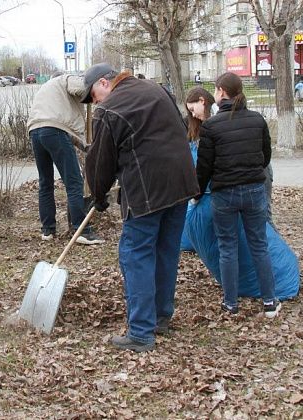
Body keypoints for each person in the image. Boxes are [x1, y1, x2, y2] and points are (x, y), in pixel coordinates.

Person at [82, 63, 199, 352]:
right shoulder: (157, 89)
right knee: (165, 251)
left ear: (104, 83)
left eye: (93, 94)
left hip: (148, 192)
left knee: (135, 254)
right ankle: (160, 317)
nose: (94, 101)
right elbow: (181, 128)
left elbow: (100, 162)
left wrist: (97, 195)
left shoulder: (108, 110)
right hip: (181, 182)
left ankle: (141, 332)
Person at [194, 72, 281, 318]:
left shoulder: (211, 126)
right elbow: (265, 156)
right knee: (259, 245)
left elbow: (204, 167)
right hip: (254, 190)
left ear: (221, 91)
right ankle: (269, 302)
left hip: (224, 194)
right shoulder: (257, 120)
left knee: (228, 248)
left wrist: (197, 193)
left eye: (216, 90)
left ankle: (231, 304)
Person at [27, 72, 103, 245]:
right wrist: (92, 90)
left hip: (35, 132)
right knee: (74, 181)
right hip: (54, 131)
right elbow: (79, 89)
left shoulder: (48, 91)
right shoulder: (67, 78)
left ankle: (48, 230)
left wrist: (85, 146)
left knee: (45, 183)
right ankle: (81, 230)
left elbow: (62, 130)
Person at [185, 86, 275, 225]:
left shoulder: (220, 120)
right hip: (243, 178)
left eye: (192, 110)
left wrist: (197, 194)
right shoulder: (202, 124)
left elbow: (205, 165)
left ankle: (272, 245)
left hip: (255, 174)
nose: (193, 115)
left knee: (263, 221)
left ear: (202, 101)